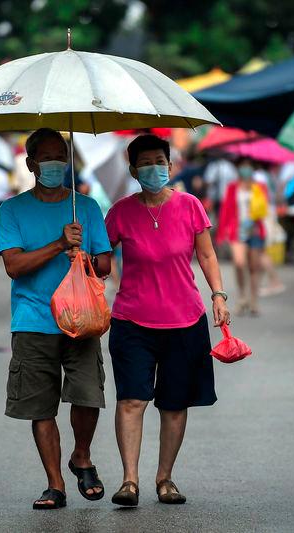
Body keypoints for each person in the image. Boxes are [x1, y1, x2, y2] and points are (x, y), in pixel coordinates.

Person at [104, 135, 229, 507]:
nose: (154, 168)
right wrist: (85, 248)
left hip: (184, 320)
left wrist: (218, 295)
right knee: (131, 400)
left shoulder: (191, 206)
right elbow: (101, 259)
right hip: (132, 321)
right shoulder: (120, 212)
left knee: (174, 404)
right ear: (133, 171)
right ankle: (129, 481)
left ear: (171, 166)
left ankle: (165, 479)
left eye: (160, 161)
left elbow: (206, 256)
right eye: (145, 163)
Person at [0, 128, 112, 510]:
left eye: (61, 156)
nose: (55, 164)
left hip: (82, 317)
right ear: (31, 164)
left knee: (88, 394)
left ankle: (81, 455)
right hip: (33, 320)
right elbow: (14, 265)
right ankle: (55, 484)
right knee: (40, 405)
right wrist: (58, 245)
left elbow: (105, 265)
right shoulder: (12, 210)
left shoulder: (88, 207)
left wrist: (83, 258)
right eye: (46, 158)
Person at [216, 157, 269, 315]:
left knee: (254, 267)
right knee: (239, 263)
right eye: (242, 166)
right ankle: (242, 296)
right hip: (237, 230)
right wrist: (221, 233)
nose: (245, 169)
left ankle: (253, 300)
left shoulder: (259, 187)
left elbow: (264, 208)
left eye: (248, 166)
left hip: (254, 230)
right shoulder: (233, 187)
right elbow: (226, 210)